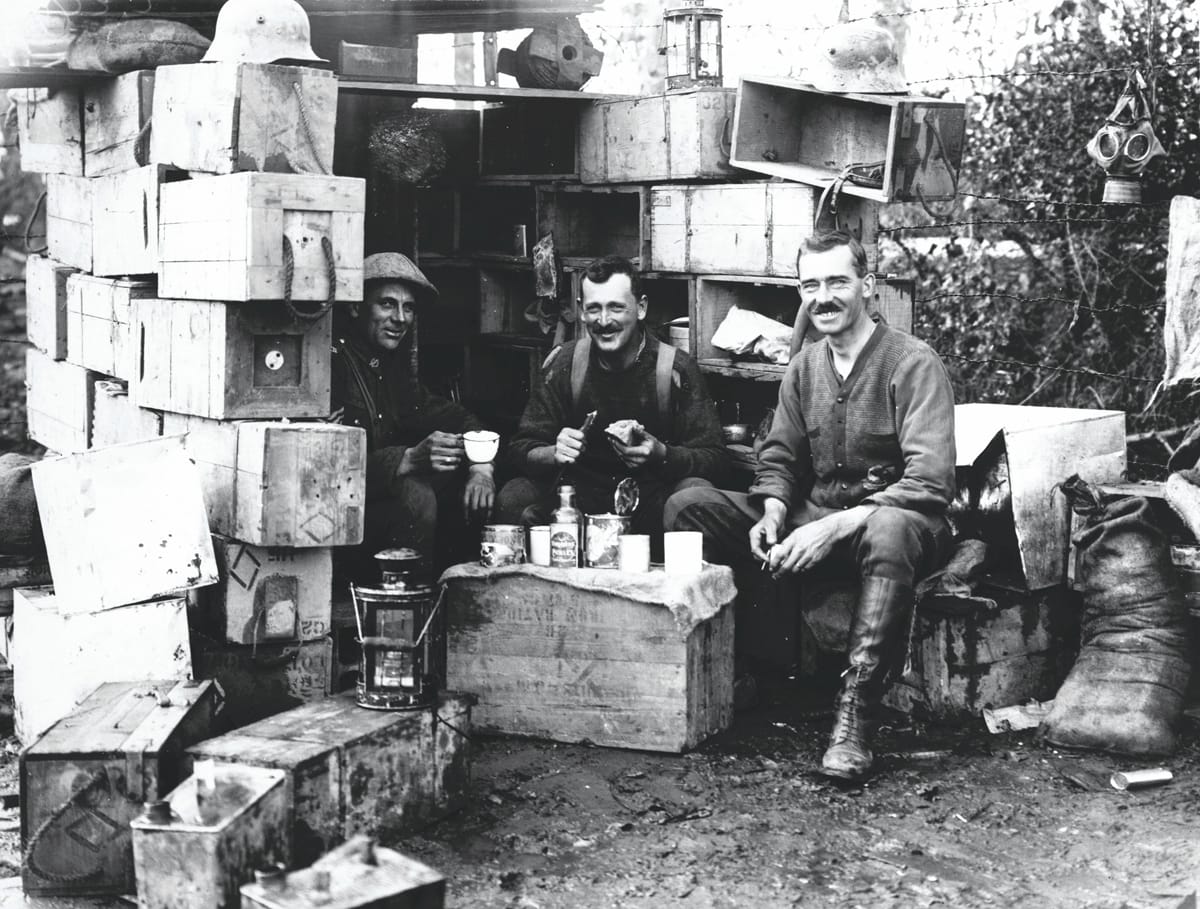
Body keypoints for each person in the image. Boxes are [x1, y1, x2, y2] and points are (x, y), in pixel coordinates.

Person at [664, 231, 956, 781]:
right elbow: (778, 454)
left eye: (837, 282)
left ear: (867, 287)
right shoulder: (804, 366)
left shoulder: (912, 363)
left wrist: (836, 527)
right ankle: (739, 672)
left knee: (890, 528)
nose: (822, 297)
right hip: (819, 518)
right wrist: (774, 508)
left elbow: (931, 481)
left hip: (903, 528)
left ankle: (856, 715)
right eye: (810, 285)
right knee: (689, 507)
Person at [496, 255, 727, 540]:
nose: (604, 321)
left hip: (653, 506)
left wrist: (662, 454)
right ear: (581, 311)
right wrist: (554, 453)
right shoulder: (566, 363)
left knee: (696, 495)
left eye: (616, 308)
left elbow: (715, 458)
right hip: (578, 506)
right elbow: (520, 448)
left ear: (641, 308)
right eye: (594, 309)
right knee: (515, 494)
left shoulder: (675, 369)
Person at [332, 252, 494, 576]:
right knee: (415, 492)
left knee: (462, 482)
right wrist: (406, 459)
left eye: (408, 308)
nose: (400, 318)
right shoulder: (331, 367)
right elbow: (326, 468)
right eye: (387, 304)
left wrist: (482, 470)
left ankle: (451, 599)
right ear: (356, 307)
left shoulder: (393, 373)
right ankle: (408, 613)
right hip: (335, 522)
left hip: (377, 519)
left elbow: (459, 419)